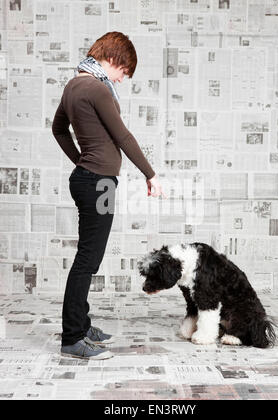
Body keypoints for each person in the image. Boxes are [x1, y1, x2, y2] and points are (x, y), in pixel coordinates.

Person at [52, 32, 165, 360]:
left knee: (89, 258)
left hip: (88, 179)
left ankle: (82, 325)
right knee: (87, 260)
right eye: (125, 69)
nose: (125, 77)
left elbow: (58, 129)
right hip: (98, 182)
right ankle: (73, 338)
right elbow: (123, 136)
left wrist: (80, 162)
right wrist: (151, 174)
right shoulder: (98, 88)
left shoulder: (73, 85)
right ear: (113, 58)